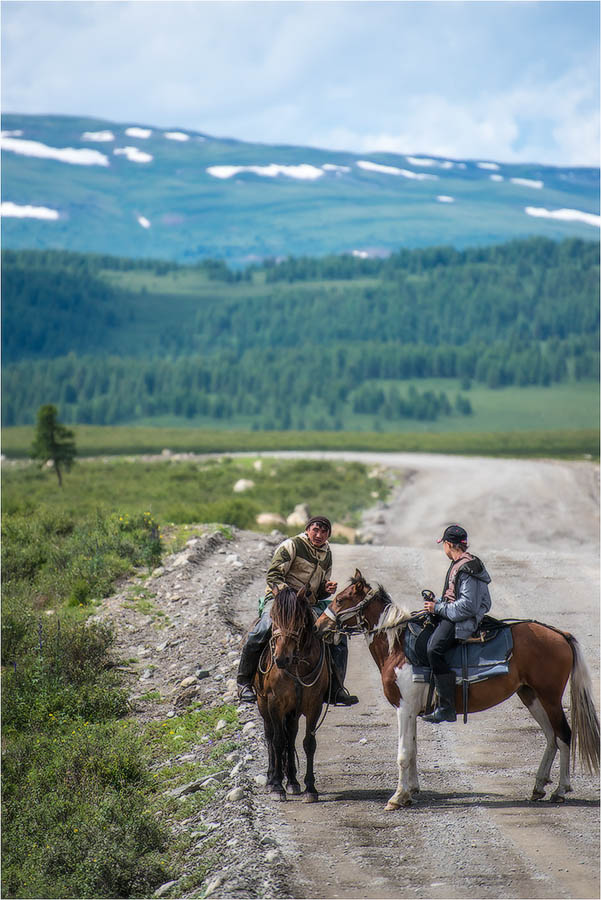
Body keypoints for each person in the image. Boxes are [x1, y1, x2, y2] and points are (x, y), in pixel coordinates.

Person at [236, 515, 359, 706]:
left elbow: (317, 592)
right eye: (315, 530)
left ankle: (336, 688)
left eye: (324, 531)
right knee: (262, 629)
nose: (319, 534)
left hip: (306, 604)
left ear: (328, 535)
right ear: (308, 529)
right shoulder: (291, 545)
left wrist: (325, 589)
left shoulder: (327, 554)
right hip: (280, 599)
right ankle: (244, 682)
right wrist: (291, 598)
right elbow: (273, 575)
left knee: (335, 633)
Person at [421, 524, 492, 724]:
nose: (443, 547)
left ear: (449, 544)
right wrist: (438, 604)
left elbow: (468, 607)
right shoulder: (461, 563)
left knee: (433, 649)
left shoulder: (467, 568)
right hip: (453, 613)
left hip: (462, 620)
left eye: (443, 543)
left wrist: (438, 609)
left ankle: (446, 707)